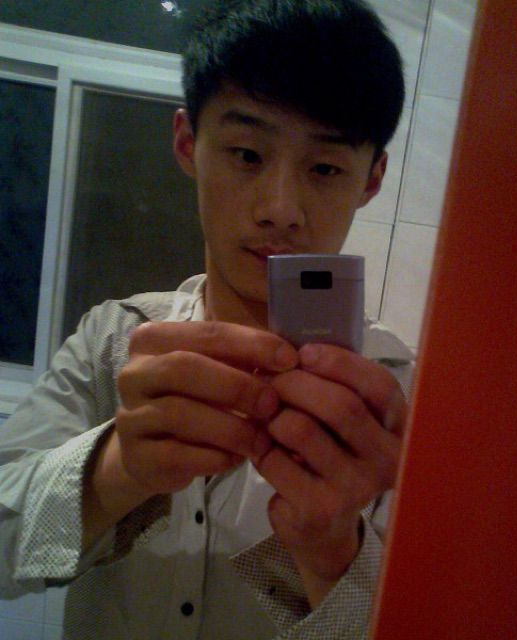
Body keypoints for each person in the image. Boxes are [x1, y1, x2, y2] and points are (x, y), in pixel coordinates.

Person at [0, 1, 414, 638]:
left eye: (325, 168)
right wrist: (118, 468)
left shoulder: (397, 399)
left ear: (372, 178)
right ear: (187, 143)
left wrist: (333, 551)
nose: (280, 209)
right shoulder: (113, 341)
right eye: (247, 154)